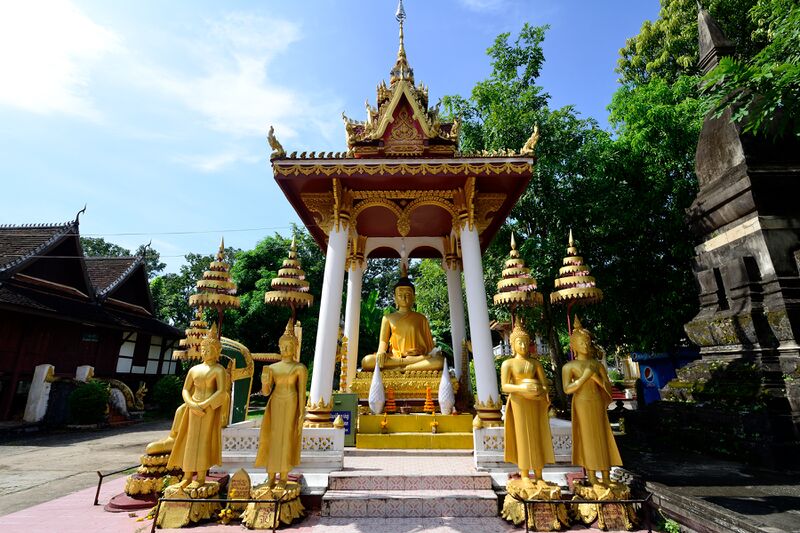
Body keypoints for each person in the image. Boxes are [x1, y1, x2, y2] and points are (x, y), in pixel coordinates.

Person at [562, 317, 622, 485]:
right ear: (574, 346)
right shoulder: (569, 366)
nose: (585, 345)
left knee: (602, 436)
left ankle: (606, 475)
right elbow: (567, 389)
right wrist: (583, 379)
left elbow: (608, 386)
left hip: (597, 402)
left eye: (587, 342)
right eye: (581, 342)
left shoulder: (597, 365)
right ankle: (592, 476)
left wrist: (595, 377)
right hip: (582, 403)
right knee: (587, 437)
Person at [167, 323, 228, 490]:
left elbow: (221, 391)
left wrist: (205, 404)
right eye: (204, 349)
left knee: (204, 441)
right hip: (193, 407)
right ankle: (187, 476)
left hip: (208, 409)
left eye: (209, 350)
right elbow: (185, 389)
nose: (205, 352)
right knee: (189, 440)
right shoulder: (194, 369)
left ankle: (201, 476)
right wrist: (192, 403)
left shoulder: (219, 370)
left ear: (217, 352)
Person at [255, 320, 308, 488]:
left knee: (286, 437)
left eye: (289, 346)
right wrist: (264, 382)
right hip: (275, 401)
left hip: (291, 401)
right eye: (283, 346)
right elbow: (266, 392)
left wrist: (302, 413)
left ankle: (283, 477)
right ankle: (271, 476)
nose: (285, 349)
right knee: (273, 437)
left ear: (295, 348)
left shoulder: (299, 368)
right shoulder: (272, 368)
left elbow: (301, 392)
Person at [500, 320, 554, 483]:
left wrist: (539, 389)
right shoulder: (508, 364)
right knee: (522, 435)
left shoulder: (535, 363)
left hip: (535, 401)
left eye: (525, 342)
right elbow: (504, 386)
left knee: (536, 434)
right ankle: (524, 474)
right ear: (512, 344)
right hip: (518, 401)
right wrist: (521, 388)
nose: (523, 346)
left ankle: (539, 474)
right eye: (519, 342)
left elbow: (545, 385)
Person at [360, 270, 443, 372]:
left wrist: (420, 351)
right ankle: (406, 364)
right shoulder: (388, 318)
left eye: (407, 294)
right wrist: (381, 351)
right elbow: (383, 341)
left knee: (439, 362)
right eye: (400, 295)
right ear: (395, 298)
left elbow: (430, 348)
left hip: (418, 357)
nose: (404, 298)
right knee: (367, 361)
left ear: (414, 297)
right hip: (396, 357)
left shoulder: (421, 318)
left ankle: (404, 368)